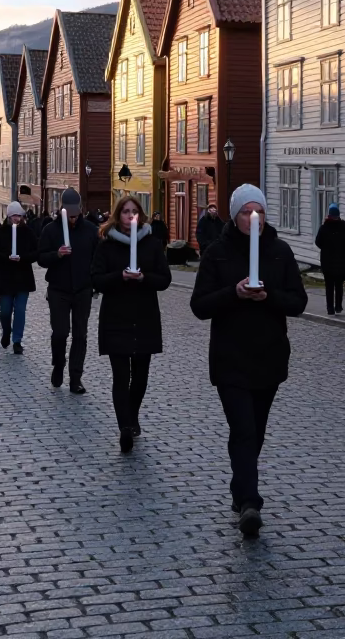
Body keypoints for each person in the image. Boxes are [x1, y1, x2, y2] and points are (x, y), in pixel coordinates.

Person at [190, 184, 308, 538]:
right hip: (230, 358)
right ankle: (250, 502)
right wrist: (234, 293)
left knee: (254, 431)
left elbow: (298, 302)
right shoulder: (218, 254)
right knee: (242, 429)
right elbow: (199, 305)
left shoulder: (280, 252)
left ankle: (239, 484)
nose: (253, 219)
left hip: (269, 356)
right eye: (246, 212)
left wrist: (268, 297)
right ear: (234, 215)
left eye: (259, 212)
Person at [91, 196, 172, 452]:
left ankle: (132, 413)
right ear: (118, 215)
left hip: (145, 316)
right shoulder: (107, 245)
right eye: (125, 211)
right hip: (116, 316)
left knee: (140, 376)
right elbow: (97, 279)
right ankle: (124, 426)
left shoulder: (152, 243)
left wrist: (144, 278)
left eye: (134, 212)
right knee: (120, 376)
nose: (129, 216)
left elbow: (165, 279)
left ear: (141, 216)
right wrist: (120, 277)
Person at [36, 188, 99, 393]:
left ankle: (75, 377)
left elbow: (98, 259)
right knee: (60, 333)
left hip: (83, 290)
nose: (73, 219)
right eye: (69, 215)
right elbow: (41, 258)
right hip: (58, 289)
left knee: (80, 335)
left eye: (76, 215)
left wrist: (95, 282)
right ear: (62, 209)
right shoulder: (50, 230)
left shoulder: (90, 230)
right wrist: (57, 254)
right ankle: (58, 364)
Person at [0, 201, 38, 353]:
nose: (17, 219)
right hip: (5, 278)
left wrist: (23, 258)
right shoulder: (1, 232)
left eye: (19, 216)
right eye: (14, 215)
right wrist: (7, 257)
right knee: (5, 311)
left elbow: (35, 252)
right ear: (9, 216)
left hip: (23, 278)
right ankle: (6, 331)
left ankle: (17, 340)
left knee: (20, 311)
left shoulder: (28, 232)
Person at [315, 203, 345, 315]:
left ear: (329, 215)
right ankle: (338, 306)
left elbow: (318, 242)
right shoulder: (343, 228)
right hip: (340, 261)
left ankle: (330, 308)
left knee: (329, 286)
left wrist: (326, 248)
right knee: (339, 285)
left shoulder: (324, 228)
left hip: (327, 261)